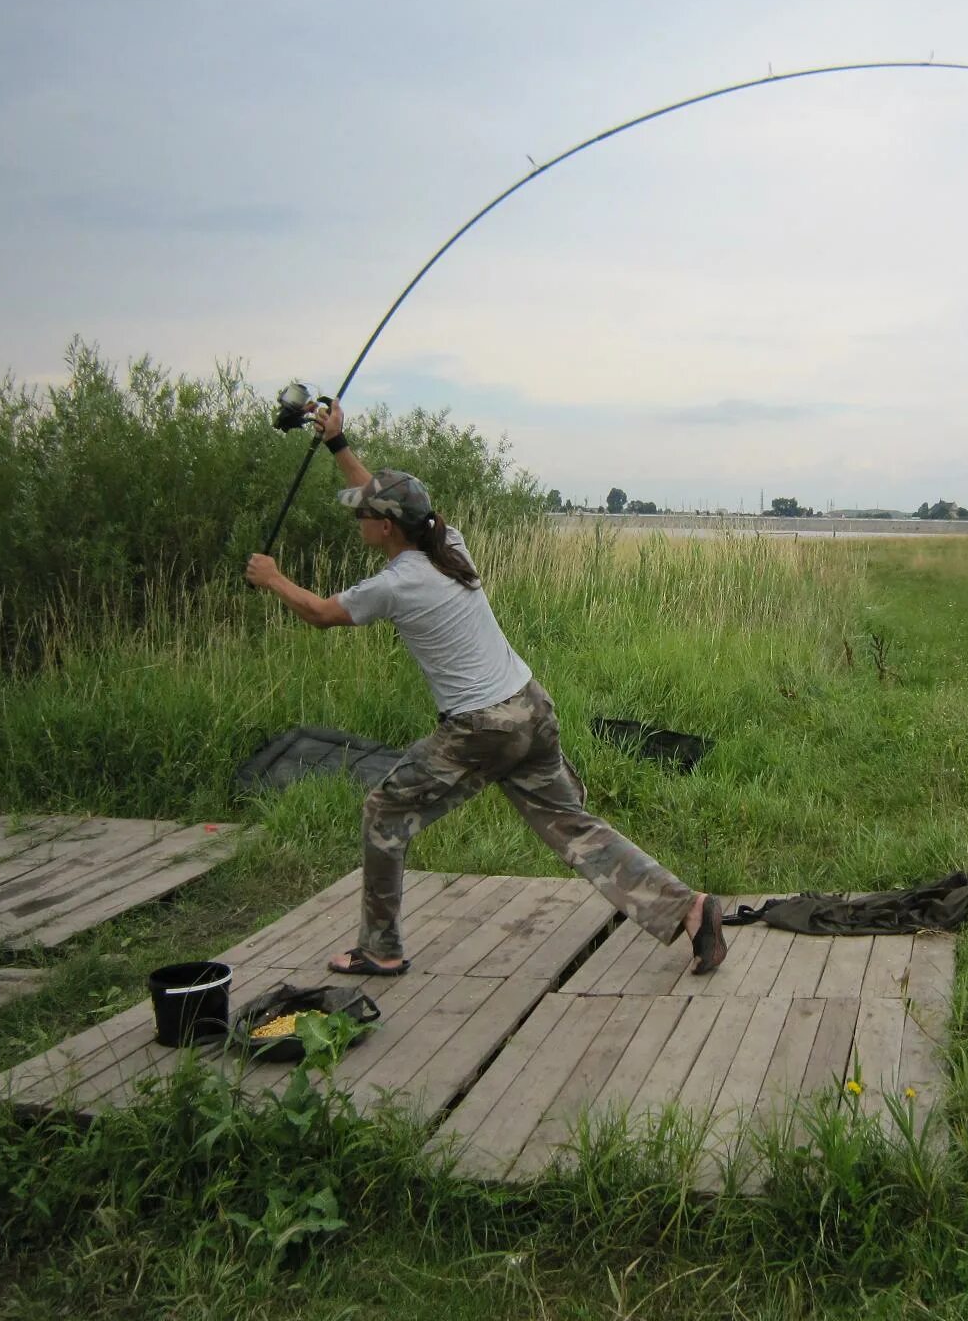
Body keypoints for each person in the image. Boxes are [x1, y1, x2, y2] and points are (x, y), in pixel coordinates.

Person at [243, 400, 726, 978]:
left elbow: (321, 614)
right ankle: (690, 908)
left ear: (387, 526)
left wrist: (272, 580)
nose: (358, 519)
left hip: (482, 728)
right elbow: (384, 493)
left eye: (363, 515)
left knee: (384, 810)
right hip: (529, 707)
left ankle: (380, 948)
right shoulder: (451, 547)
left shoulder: (396, 584)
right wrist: (337, 444)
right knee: (572, 827)